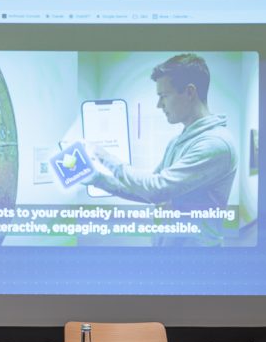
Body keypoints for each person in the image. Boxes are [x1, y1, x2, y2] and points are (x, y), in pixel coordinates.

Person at [86, 53, 237, 243]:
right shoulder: (177, 141)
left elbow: (157, 190)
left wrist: (105, 158)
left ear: (190, 92)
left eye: (164, 96)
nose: (159, 105)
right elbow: (147, 191)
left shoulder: (216, 144)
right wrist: (97, 179)